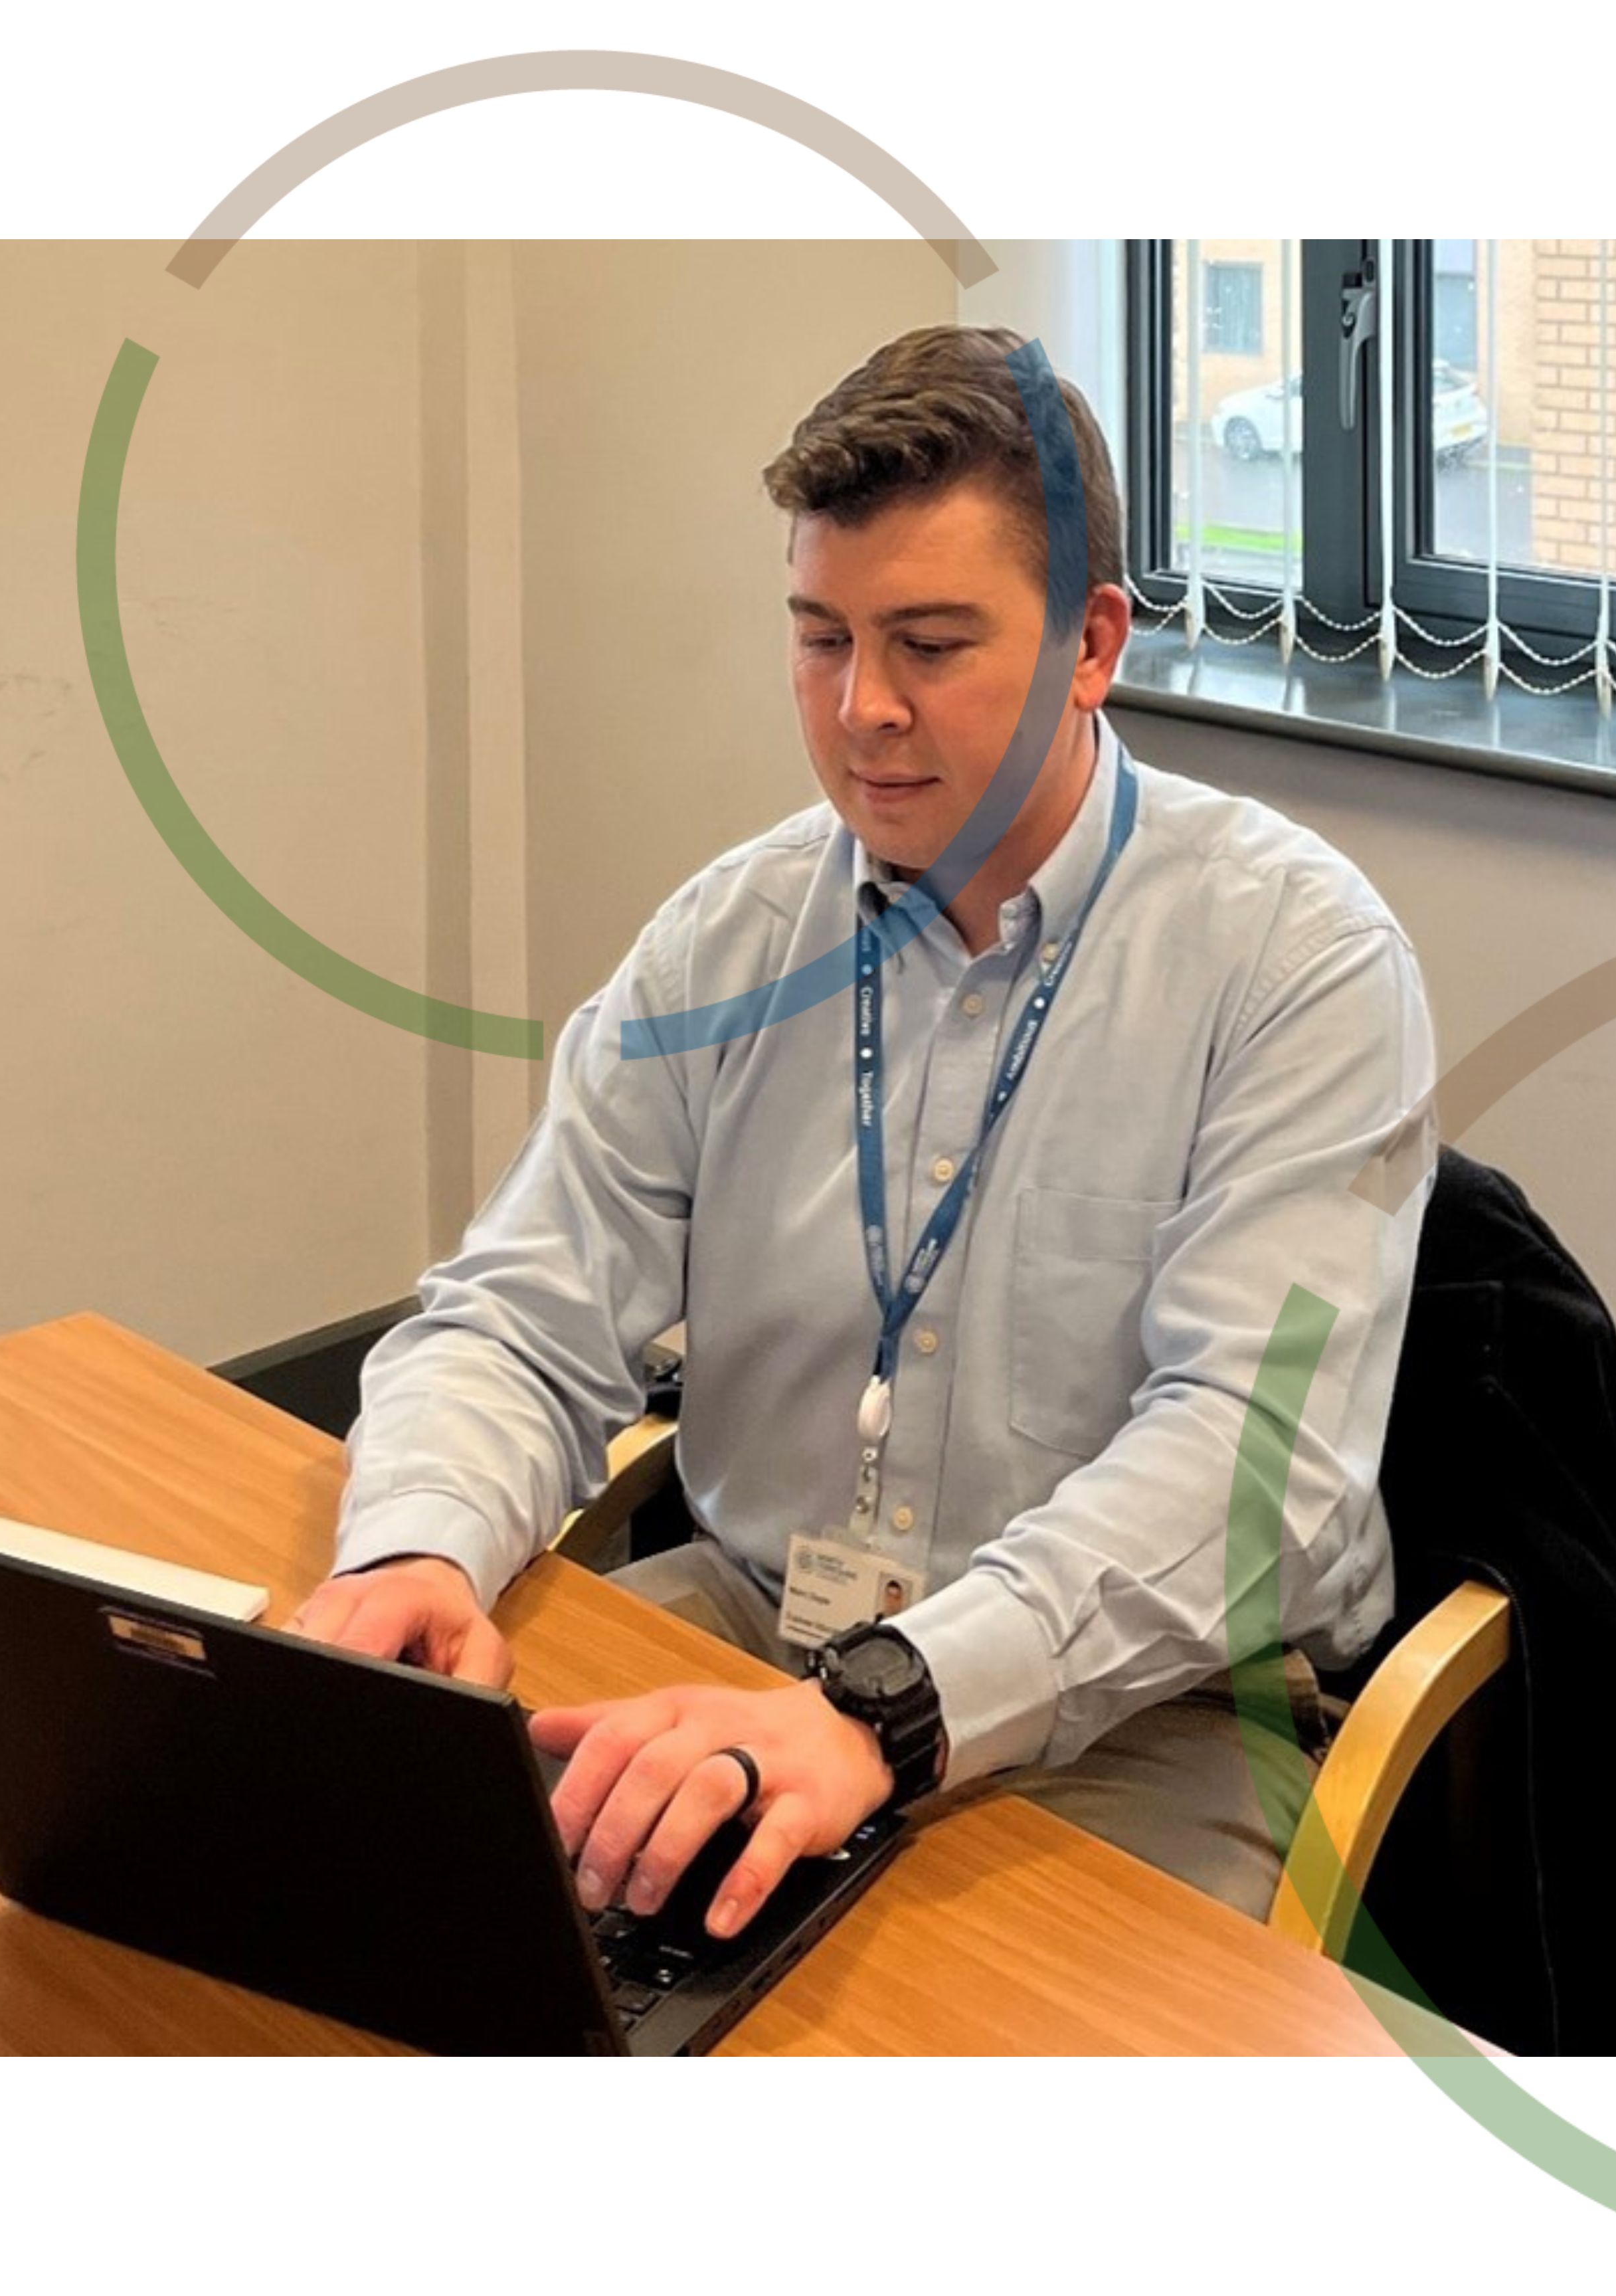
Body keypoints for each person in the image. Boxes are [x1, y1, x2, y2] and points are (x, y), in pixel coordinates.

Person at [290, 324, 1435, 1945]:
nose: (863, 711)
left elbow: (1258, 1479)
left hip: (1131, 1714)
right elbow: (518, 1316)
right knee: (362, 1923)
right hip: (748, 1631)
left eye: (932, 643)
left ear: (1092, 643)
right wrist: (419, 1543)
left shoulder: (1292, 958)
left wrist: (887, 1707)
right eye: (820, 638)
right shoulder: (728, 939)